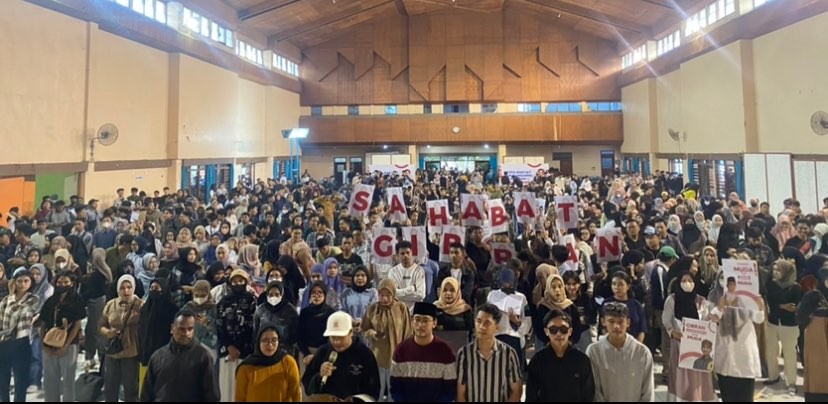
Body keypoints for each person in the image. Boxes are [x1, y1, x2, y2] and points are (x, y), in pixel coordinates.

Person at [707, 269, 765, 402]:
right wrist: (721, 307)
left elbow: (758, 319)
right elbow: (711, 319)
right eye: (728, 283)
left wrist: (760, 307)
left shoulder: (747, 299)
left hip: (744, 355)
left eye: (734, 283)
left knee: (745, 396)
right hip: (725, 355)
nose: (731, 286)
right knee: (728, 395)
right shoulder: (718, 297)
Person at [140, 310, 221, 402]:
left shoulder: (203, 357)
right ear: (172, 328)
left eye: (190, 329)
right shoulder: (157, 357)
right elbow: (146, 395)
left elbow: (213, 396)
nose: (186, 333)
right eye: (181, 329)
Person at [302, 311, 381, 400]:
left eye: (341, 337)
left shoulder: (364, 354)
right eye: (333, 337)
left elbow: (374, 391)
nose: (336, 342)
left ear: (351, 332)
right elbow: (308, 388)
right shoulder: (322, 352)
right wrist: (319, 376)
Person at [586, 301, 654, 402]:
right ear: (603, 321)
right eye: (611, 321)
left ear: (628, 323)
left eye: (620, 322)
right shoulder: (594, 351)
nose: (616, 326)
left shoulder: (642, 352)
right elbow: (595, 391)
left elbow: (647, 391)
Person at [389, 302, 457, 402]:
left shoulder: (446, 352)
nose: (420, 325)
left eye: (425, 320)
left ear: (434, 323)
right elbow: (395, 388)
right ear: (412, 321)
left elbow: (449, 391)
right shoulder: (401, 350)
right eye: (417, 320)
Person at [456, 303, 522, 402]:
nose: (481, 327)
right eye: (478, 321)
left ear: (496, 327)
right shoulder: (464, 354)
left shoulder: (509, 354)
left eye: (487, 323)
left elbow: (516, 391)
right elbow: (460, 393)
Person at [526, 309, 594, 402]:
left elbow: (588, 395)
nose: (559, 334)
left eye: (563, 330)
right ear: (546, 331)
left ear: (570, 331)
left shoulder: (582, 360)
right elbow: (531, 396)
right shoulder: (538, 361)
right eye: (553, 330)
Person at [361, 278, 412, 401]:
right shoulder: (373, 309)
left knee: (394, 389)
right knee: (377, 388)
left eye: (388, 295)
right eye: (381, 295)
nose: (384, 299)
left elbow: (408, 331)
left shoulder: (401, 308)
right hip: (378, 355)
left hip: (397, 356)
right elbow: (364, 329)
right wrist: (373, 334)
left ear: (394, 294)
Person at [39, 271, 85, 402]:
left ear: (72, 284)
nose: (62, 285)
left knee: (68, 381)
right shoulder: (51, 300)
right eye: (59, 282)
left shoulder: (77, 300)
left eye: (66, 282)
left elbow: (77, 325)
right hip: (49, 344)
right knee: (49, 380)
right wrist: (44, 345)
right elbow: (43, 324)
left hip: (69, 344)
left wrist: (65, 346)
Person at [99, 274, 143, 402]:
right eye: (122, 288)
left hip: (131, 352)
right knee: (111, 387)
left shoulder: (140, 305)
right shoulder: (111, 304)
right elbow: (101, 325)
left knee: (130, 388)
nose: (126, 291)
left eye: (129, 287)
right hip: (113, 352)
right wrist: (108, 332)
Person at [216, 269, 257, 402]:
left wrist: (238, 347)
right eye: (234, 281)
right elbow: (219, 325)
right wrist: (229, 346)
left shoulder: (251, 300)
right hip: (227, 351)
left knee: (242, 387)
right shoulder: (223, 301)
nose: (237, 283)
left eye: (241, 281)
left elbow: (252, 325)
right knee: (226, 387)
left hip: (245, 351)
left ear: (245, 282)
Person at [0, 269, 40, 402]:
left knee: (20, 382)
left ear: (31, 283)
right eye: (19, 281)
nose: (22, 284)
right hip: (4, 343)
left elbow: (22, 314)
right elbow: (1, 319)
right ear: (14, 282)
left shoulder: (33, 299)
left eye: (26, 281)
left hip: (22, 343)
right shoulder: (6, 300)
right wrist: (11, 296)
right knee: (3, 382)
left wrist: (13, 300)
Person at [235, 323, 302, 402]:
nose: (270, 345)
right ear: (258, 342)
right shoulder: (245, 368)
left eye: (274, 340)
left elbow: (296, 394)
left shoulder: (288, 363)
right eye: (265, 340)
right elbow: (239, 398)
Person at [138, 277, 178, 392]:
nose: (153, 291)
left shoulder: (172, 309)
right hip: (146, 356)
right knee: (145, 389)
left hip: (165, 356)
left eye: (157, 288)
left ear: (164, 289)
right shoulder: (145, 308)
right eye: (151, 288)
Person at [253, 281, 299, 358]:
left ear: (281, 295)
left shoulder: (290, 310)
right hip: (265, 350)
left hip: (285, 351)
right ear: (267, 295)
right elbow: (255, 333)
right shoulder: (260, 310)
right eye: (271, 295)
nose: (273, 297)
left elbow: (295, 333)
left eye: (277, 294)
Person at [434, 277, 474, 352]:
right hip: (439, 350)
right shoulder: (435, 308)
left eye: (452, 290)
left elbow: (470, 333)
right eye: (445, 290)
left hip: (460, 350)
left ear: (458, 292)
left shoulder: (465, 309)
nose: (448, 293)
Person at [181, 280, 219, 360]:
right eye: (196, 295)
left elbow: (219, 328)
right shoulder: (188, 307)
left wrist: (208, 323)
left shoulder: (214, 308)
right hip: (190, 345)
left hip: (209, 346)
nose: (199, 298)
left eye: (202, 295)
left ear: (208, 294)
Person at [387, 241, 426, 309]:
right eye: (402, 253)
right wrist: (412, 289)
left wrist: (400, 294)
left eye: (408, 253)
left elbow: (421, 295)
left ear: (411, 253)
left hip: (415, 312)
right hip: (398, 310)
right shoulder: (392, 271)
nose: (405, 256)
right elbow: (392, 294)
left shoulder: (419, 270)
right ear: (397, 255)